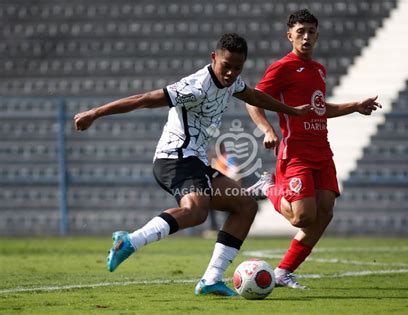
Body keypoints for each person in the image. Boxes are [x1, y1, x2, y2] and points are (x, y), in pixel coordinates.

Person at [74, 33, 311, 296]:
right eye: (226, 66)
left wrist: (292, 110)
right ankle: (129, 241)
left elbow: (254, 96)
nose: (231, 73)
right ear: (214, 58)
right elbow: (143, 99)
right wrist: (94, 113)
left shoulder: (232, 82)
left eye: (238, 68)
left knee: (244, 206)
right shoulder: (195, 87)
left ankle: (211, 279)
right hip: (174, 157)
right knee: (197, 211)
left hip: (194, 161)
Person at [246, 9, 381, 289]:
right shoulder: (282, 67)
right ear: (290, 36)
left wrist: (354, 106)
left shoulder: (319, 69)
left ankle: (284, 272)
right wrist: (269, 130)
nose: (306, 37)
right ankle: (269, 187)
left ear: (317, 35)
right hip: (296, 152)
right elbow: (253, 100)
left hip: (323, 151)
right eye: (300, 32)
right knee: (302, 217)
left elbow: (321, 108)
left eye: (311, 32)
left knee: (325, 213)